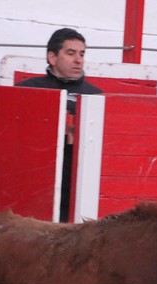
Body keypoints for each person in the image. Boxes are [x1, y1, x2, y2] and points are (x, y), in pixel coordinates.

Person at [16, 28, 103, 222]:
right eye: (70, 53)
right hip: (34, 180)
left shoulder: (96, 95)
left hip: (77, 182)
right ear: (52, 57)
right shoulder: (28, 90)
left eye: (82, 54)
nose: (78, 60)